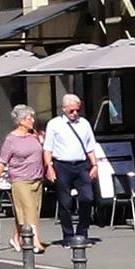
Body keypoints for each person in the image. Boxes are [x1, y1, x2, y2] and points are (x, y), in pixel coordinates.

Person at [43, 93, 107, 249]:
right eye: (71, 111)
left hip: (81, 165)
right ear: (64, 109)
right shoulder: (54, 124)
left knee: (87, 198)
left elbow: (90, 147)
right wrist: (49, 167)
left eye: (77, 110)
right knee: (65, 202)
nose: (75, 114)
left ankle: (82, 233)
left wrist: (95, 165)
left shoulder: (84, 123)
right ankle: (68, 236)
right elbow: (48, 148)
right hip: (62, 165)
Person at [0, 104, 48, 254]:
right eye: (28, 118)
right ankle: (35, 241)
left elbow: (44, 152)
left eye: (32, 117)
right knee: (29, 210)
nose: (32, 120)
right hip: (20, 180)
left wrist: (43, 142)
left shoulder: (34, 135)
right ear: (20, 121)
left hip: (37, 178)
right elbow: (2, 162)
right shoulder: (11, 139)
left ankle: (16, 238)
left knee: (30, 211)